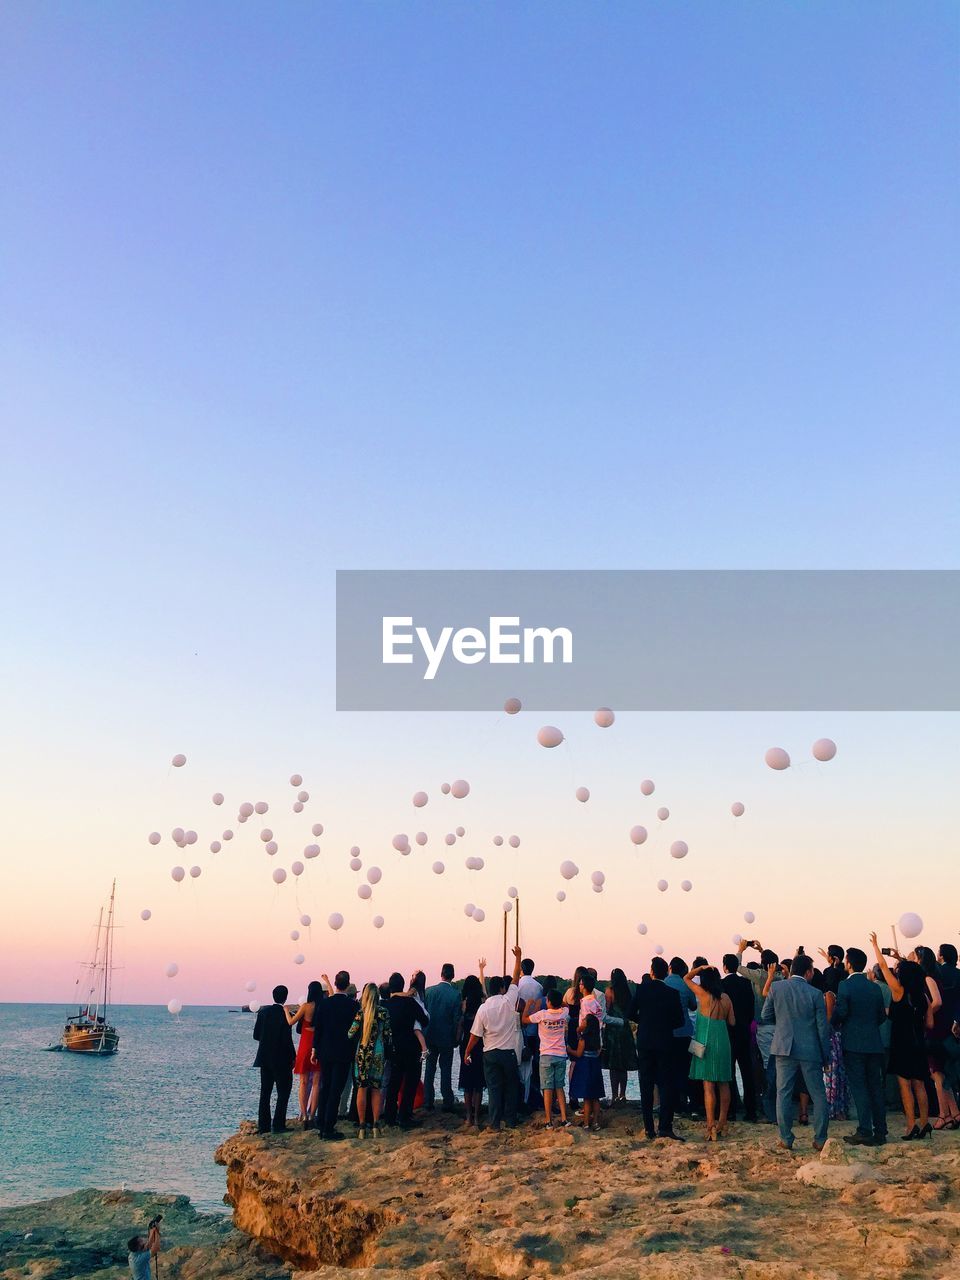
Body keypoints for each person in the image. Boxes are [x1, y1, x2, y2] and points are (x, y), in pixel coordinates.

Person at [761, 952, 831, 1152]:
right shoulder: (816, 994)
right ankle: (820, 1138)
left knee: (783, 1093)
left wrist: (783, 1023)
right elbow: (822, 1029)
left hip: (783, 1047)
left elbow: (765, 1016)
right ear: (809, 973)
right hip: (810, 1049)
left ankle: (785, 1138)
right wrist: (826, 1056)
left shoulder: (776, 987)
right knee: (818, 1094)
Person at [870, 933, 932, 1139]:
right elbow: (929, 1023)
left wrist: (876, 946)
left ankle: (910, 1124)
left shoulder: (898, 991)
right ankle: (925, 1124)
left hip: (902, 1041)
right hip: (919, 1042)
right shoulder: (922, 996)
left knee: (905, 1085)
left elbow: (883, 967)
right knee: (920, 1083)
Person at [464, 945, 523, 1131]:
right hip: (508, 1052)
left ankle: (494, 1123)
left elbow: (475, 1035)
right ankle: (511, 1120)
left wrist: (467, 1051)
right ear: (502, 988)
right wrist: (518, 958)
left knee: (494, 1089)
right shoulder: (508, 1001)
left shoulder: (483, 1008)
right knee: (511, 1087)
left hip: (489, 1053)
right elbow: (515, 979)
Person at [834, 946, 888, 1146]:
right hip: (874, 1043)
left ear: (848, 964)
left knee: (859, 1087)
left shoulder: (845, 986)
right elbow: (882, 1016)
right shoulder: (874, 987)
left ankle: (864, 1130)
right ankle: (880, 1130)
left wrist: (834, 1022)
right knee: (875, 1087)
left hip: (854, 1043)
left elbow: (841, 1012)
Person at [631, 955, 686, 1141]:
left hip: (645, 1041)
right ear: (666, 973)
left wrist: (644, 1022)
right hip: (665, 1042)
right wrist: (663, 1025)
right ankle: (665, 1127)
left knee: (646, 1085)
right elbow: (679, 1021)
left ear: (652, 972)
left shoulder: (642, 990)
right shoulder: (672, 993)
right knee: (666, 1085)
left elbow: (630, 1012)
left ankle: (648, 1128)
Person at [686, 964, 735, 1140]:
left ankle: (710, 1125)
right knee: (724, 1083)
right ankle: (722, 1123)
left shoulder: (703, 995)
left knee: (708, 1086)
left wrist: (699, 968)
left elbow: (686, 978)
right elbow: (732, 1022)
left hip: (705, 1041)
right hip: (722, 1041)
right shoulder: (726, 999)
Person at [312, 970, 359, 1141]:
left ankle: (321, 1121)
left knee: (326, 1087)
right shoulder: (354, 1006)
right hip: (343, 1052)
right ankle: (328, 1127)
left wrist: (314, 1049)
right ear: (347, 984)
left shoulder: (325, 1004)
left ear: (335, 983)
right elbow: (355, 1032)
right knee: (335, 1090)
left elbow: (319, 1028)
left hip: (325, 1051)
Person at [916, 944, 960, 1129]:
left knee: (937, 1073)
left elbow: (937, 1002)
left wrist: (926, 1015)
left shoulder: (928, 978)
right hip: (941, 1028)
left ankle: (944, 1115)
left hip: (936, 1030)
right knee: (940, 1072)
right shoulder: (935, 977)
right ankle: (955, 1113)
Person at [383, 971, 429, 1129]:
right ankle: (405, 1115)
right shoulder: (410, 1002)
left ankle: (389, 1116)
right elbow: (425, 1019)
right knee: (411, 1082)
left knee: (393, 1083)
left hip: (393, 1047)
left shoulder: (386, 1005)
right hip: (410, 1046)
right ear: (403, 985)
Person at [348, 981, 393, 1138]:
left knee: (362, 1089)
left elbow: (350, 1034)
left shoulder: (361, 1013)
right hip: (378, 1053)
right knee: (376, 1089)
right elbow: (388, 1036)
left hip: (362, 1053)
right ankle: (375, 1125)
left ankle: (361, 1127)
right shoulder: (383, 1012)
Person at [524, 987, 571, 1127]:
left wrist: (528, 1006)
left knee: (547, 1088)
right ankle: (563, 1118)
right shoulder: (564, 1014)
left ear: (548, 1002)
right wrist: (560, 1002)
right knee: (560, 1087)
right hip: (561, 1054)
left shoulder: (542, 1015)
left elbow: (525, 1019)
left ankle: (548, 1119)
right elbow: (567, 1005)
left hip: (546, 1054)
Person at [253, 984, 296, 1134]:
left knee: (265, 1092)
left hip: (265, 1057)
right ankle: (278, 1124)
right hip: (281, 1059)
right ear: (285, 997)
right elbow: (287, 1039)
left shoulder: (263, 1012)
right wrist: (293, 1056)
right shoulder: (285, 1014)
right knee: (283, 1092)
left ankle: (263, 1126)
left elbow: (256, 1035)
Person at [720, 954, 757, 1123]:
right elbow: (751, 1007)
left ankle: (732, 1110)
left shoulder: (722, 985)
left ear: (724, 967)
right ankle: (751, 1110)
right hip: (744, 1031)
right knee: (747, 1072)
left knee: (729, 1073)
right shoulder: (745, 983)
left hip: (728, 1032)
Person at [423, 963, 462, 1113]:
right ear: (453, 975)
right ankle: (447, 1100)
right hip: (446, 1038)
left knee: (429, 1069)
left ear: (441, 974)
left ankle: (428, 1101)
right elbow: (456, 1019)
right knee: (446, 1069)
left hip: (430, 1036)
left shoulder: (429, 992)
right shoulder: (455, 994)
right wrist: (455, 1038)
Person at [286, 979, 325, 1127]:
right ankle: (312, 1115)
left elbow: (291, 1022)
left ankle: (303, 1114)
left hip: (305, 1043)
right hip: (318, 1044)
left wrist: (285, 1010)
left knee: (303, 1082)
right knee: (316, 1083)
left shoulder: (306, 1007)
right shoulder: (323, 1006)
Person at [665, 957, 698, 1114]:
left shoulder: (664, 982)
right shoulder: (686, 984)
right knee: (686, 1069)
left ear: (670, 967)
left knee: (670, 1069)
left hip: (668, 1033)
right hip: (685, 1032)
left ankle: (675, 1104)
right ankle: (688, 1102)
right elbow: (693, 1005)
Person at [602, 967, 638, 1105]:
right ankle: (623, 1094)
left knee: (613, 1064)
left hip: (613, 1029)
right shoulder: (627, 992)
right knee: (623, 1064)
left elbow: (607, 1008)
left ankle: (614, 1095)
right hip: (624, 1029)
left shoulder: (609, 991)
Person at [459, 970, 486, 1128]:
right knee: (478, 1083)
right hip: (480, 1045)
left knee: (467, 1083)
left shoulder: (464, 1004)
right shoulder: (483, 1005)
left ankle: (468, 1116)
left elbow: (460, 1026)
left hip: (466, 1045)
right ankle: (476, 1117)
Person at [569, 1012, 605, 1131]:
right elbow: (598, 1052)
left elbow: (579, 1054)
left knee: (586, 1097)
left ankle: (586, 1123)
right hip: (595, 1065)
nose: (582, 1021)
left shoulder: (583, 1039)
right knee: (595, 1097)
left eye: (584, 1020)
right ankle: (595, 1122)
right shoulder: (596, 1038)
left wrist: (569, 1049)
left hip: (585, 1066)